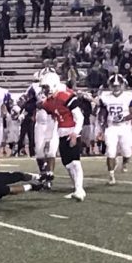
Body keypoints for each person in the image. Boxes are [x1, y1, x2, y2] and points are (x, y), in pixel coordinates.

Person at [37, 70, 86, 200]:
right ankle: (76, 188)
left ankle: (80, 190)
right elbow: (47, 109)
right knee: (68, 164)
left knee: (75, 162)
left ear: (53, 84)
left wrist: (75, 134)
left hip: (72, 131)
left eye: (46, 87)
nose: (44, 90)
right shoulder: (49, 101)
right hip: (62, 133)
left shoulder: (65, 96)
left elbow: (80, 117)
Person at [98, 74, 132, 186]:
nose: (116, 88)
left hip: (124, 127)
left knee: (127, 153)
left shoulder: (130, 96)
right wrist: (102, 124)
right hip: (111, 128)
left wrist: (123, 118)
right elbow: (103, 113)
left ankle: (124, 163)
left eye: (118, 85)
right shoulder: (105, 96)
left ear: (123, 85)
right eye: (113, 85)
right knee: (110, 151)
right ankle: (111, 176)